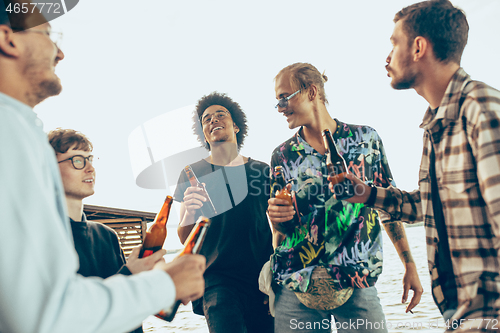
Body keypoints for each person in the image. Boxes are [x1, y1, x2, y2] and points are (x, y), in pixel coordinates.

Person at [0, 3, 205, 333]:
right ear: (8, 40)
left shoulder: (20, 130)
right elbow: (46, 316)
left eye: (90, 159)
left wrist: (133, 274)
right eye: (49, 35)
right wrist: (167, 284)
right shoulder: (9, 131)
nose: (61, 53)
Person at [339, 0, 500, 331]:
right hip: (462, 314)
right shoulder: (435, 126)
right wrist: (366, 193)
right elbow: (428, 205)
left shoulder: (479, 108)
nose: (387, 58)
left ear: (418, 47)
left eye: (394, 43)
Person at [267, 62, 423, 333]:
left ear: (312, 92)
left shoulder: (366, 140)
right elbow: (280, 233)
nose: (280, 107)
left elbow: (387, 206)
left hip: (358, 281)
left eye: (285, 97)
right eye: (277, 101)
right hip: (296, 288)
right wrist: (278, 220)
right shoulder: (282, 155)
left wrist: (410, 266)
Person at [48, 128, 168, 333]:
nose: (90, 168)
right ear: (48, 169)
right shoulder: (44, 239)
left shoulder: (106, 236)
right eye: (77, 160)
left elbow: (130, 314)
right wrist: (130, 274)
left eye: (90, 159)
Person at [173, 92, 274, 333]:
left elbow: (279, 225)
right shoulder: (192, 173)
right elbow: (185, 238)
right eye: (206, 119)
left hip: (261, 278)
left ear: (236, 126)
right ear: (204, 132)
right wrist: (189, 214)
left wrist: (276, 277)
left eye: (221, 114)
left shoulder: (262, 170)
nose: (213, 120)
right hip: (216, 281)